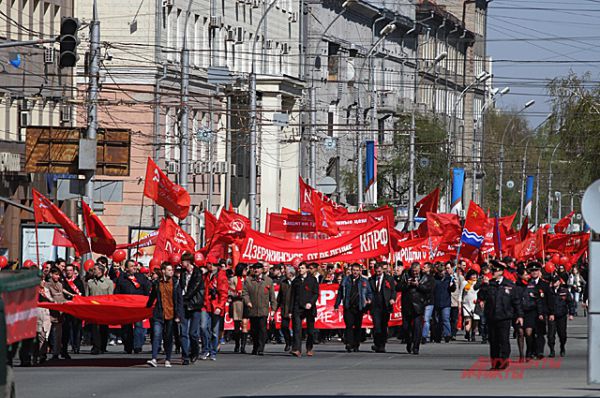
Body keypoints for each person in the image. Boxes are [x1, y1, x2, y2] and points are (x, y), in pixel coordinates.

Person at [481, 260, 523, 370]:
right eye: (492, 270)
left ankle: (504, 360)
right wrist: (484, 285)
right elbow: (481, 296)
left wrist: (519, 316)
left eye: (495, 270)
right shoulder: (490, 284)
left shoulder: (509, 285)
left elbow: (516, 301)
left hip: (505, 317)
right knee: (493, 341)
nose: (493, 272)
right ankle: (495, 363)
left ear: (501, 272)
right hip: (492, 316)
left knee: (503, 340)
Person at [146, 262, 184, 368]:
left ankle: (168, 359)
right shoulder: (157, 283)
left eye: (172, 270)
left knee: (168, 337)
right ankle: (154, 358)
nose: (171, 272)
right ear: (163, 271)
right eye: (169, 270)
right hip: (159, 313)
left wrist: (178, 315)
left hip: (171, 314)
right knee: (157, 334)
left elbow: (179, 300)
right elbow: (152, 296)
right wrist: (147, 307)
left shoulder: (176, 283)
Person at [114, 259, 151, 354]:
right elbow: (117, 293)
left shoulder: (141, 277)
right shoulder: (122, 279)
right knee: (126, 328)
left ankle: (137, 346)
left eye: (134, 265)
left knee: (139, 326)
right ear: (126, 268)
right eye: (131, 266)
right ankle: (128, 346)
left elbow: (147, 290)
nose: (134, 267)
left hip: (139, 306)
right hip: (126, 307)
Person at [334, 263, 372, 352]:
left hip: (359, 306)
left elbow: (369, 292)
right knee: (349, 325)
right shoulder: (345, 280)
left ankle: (356, 344)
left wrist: (369, 299)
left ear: (360, 271)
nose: (355, 272)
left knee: (358, 326)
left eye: (357, 270)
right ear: (351, 271)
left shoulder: (364, 281)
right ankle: (349, 343)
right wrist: (336, 305)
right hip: (348, 305)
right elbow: (340, 293)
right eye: (354, 270)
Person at [399, 262, 434, 355]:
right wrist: (407, 284)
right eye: (413, 271)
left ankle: (416, 347)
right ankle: (409, 341)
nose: (415, 273)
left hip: (419, 305)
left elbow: (429, 289)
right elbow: (398, 287)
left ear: (420, 269)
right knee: (406, 327)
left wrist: (418, 285)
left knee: (417, 327)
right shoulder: (405, 275)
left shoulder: (425, 277)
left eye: (417, 271)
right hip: (407, 304)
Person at [242, 263, 277, 356]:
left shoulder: (268, 281)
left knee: (262, 329)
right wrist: (247, 302)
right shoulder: (248, 280)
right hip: (252, 309)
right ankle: (255, 346)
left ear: (262, 270)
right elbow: (244, 293)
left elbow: (272, 296)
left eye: (258, 268)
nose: (256, 270)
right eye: (255, 268)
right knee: (254, 330)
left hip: (263, 310)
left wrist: (273, 309)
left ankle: (261, 348)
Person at [200, 259, 229, 360]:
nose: (210, 266)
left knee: (215, 331)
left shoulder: (221, 276)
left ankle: (213, 351)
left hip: (215, 305)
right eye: (208, 264)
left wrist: (219, 307)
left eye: (212, 264)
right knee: (203, 327)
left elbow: (224, 293)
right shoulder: (205, 276)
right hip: (205, 304)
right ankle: (205, 349)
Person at [290, 263, 319, 357]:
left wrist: (310, 303)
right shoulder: (296, 281)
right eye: (299, 268)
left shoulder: (312, 280)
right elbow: (292, 296)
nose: (300, 269)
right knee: (297, 329)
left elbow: (316, 293)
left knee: (310, 331)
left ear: (307, 269)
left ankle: (309, 348)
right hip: (298, 307)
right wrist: (290, 311)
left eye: (302, 268)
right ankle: (296, 349)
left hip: (309, 308)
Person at [180, 252, 204, 365]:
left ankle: (194, 351)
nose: (181, 263)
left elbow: (194, 288)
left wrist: (185, 297)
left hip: (195, 304)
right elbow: (180, 286)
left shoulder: (197, 273)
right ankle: (185, 355)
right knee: (183, 332)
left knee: (193, 333)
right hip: (184, 304)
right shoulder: (182, 273)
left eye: (183, 261)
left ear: (188, 262)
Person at [528, 261, 555, 359]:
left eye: (536, 270)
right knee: (530, 334)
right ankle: (532, 351)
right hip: (530, 312)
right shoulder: (527, 284)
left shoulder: (544, 284)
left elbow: (550, 299)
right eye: (532, 271)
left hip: (542, 313)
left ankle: (539, 352)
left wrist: (551, 313)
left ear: (539, 271)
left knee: (539, 333)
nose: (534, 272)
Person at [86, 264, 114, 355]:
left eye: (95, 269)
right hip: (93, 308)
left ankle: (103, 346)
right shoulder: (90, 282)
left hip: (104, 308)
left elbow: (111, 296)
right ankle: (96, 346)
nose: (93, 271)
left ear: (100, 271)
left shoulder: (109, 282)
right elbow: (87, 296)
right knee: (94, 328)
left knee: (103, 328)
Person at [369, 262, 396, 353]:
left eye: (379, 271)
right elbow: (368, 291)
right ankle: (377, 343)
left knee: (384, 325)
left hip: (385, 305)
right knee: (376, 326)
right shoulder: (371, 279)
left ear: (382, 270)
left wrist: (392, 298)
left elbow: (393, 291)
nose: (378, 273)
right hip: (375, 305)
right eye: (376, 271)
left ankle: (382, 345)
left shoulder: (389, 279)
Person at [547, 275, 575, 357]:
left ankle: (562, 347)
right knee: (550, 335)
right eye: (553, 281)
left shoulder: (564, 291)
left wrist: (571, 314)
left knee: (562, 334)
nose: (554, 283)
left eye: (555, 281)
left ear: (559, 282)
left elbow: (570, 303)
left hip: (561, 315)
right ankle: (552, 350)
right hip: (552, 316)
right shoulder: (549, 291)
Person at [61, 264, 85, 356]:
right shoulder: (63, 282)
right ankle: (68, 346)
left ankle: (76, 346)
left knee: (77, 328)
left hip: (77, 307)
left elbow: (82, 294)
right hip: (67, 307)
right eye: (67, 270)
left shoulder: (78, 282)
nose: (68, 272)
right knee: (68, 328)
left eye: (70, 270)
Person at [433, 262, 457, 343]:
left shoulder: (449, 278)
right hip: (436, 301)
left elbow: (453, 289)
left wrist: (452, 285)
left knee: (445, 319)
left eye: (442, 271)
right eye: (439, 272)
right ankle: (438, 335)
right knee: (437, 321)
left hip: (446, 302)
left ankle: (447, 335)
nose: (441, 273)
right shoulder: (435, 279)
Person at [46, 267, 67, 360]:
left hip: (59, 313)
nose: (57, 276)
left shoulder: (60, 284)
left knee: (57, 334)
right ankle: (42, 352)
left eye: (58, 275)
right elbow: (48, 296)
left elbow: (62, 296)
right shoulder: (47, 285)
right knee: (46, 334)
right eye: (56, 274)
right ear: (51, 274)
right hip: (49, 312)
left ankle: (56, 352)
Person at [229, 263, 249, 353]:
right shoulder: (233, 279)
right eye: (245, 269)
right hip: (237, 303)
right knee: (237, 325)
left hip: (246, 304)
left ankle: (243, 346)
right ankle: (237, 344)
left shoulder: (248, 279)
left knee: (244, 323)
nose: (246, 271)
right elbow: (230, 291)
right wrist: (237, 293)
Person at [277, 266, 295, 352]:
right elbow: (279, 297)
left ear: (291, 273)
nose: (284, 273)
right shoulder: (283, 283)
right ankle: (288, 342)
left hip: (295, 309)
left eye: (286, 272)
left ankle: (295, 345)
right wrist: (275, 308)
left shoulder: (297, 282)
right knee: (284, 327)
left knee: (296, 328)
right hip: (285, 308)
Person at [461, 270, 480, 342]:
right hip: (466, 304)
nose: (474, 276)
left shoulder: (478, 283)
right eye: (472, 275)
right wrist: (460, 302)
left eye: (475, 275)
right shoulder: (465, 283)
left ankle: (473, 334)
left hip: (475, 304)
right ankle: (467, 332)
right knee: (468, 320)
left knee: (475, 321)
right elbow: (460, 294)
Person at [420, 262, 435, 344]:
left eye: (425, 267)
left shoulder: (431, 278)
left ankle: (424, 336)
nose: (423, 268)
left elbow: (429, 289)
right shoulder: (421, 277)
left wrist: (419, 286)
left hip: (429, 301)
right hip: (421, 301)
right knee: (421, 319)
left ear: (429, 268)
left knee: (426, 319)